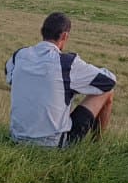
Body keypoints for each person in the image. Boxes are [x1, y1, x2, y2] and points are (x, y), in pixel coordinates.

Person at [6, 12, 116, 147]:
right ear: (65, 36)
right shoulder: (67, 64)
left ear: (42, 32)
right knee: (107, 92)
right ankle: (96, 145)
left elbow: (10, 77)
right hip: (53, 144)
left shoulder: (19, 55)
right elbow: (109, 81)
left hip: (16, 137)